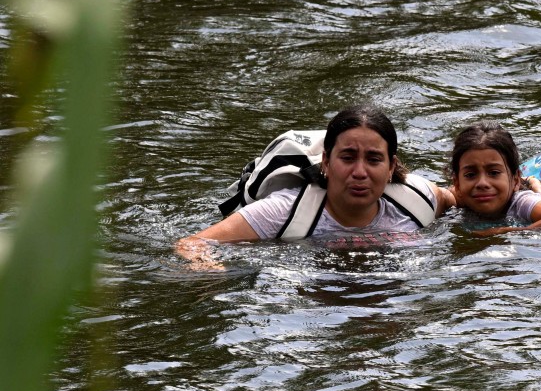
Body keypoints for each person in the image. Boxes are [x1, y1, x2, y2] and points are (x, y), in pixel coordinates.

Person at [176, 105, 456, 269]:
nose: (360, 172)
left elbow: (466, 198)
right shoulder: (284, 211)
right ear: (326, 161)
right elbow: (191, 243)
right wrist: (208, 267)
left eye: (374, 159)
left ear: (391, 167)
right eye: (347, 158)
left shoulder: (419, 200)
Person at [448, 121, 541, 234]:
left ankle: (533, 183)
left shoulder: (522, 202)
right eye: (470, 175)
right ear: (458, 184)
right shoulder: (461, 196)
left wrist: (501, 232)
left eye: (494, 173)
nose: (482, 183)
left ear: (515, 180)